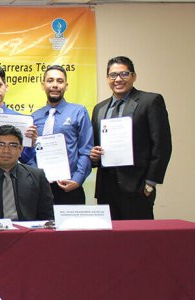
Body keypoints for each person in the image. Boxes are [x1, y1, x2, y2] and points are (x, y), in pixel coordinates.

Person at [90, 56, 172, 220]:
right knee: (110, 242)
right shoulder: (99, 108)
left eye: (124, 74)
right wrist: (94, 156)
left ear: (133, 76)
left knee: (138, 241)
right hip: (106, 188)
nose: (118, 79)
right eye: (113, 75)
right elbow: (96, 146)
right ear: (107, 78)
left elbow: (162, 145)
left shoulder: (150, 101)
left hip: (138, 187)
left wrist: (150, 183)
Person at [32, 65, 93, 205]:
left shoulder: (79, 112)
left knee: (72, 227)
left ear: (66, 85)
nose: (55, 85)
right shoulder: (34, 117)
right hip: (41, 189)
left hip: (70, 187)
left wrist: (77, 180)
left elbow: (86, 149)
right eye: (50, 80)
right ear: (43, 85)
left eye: (59, 81)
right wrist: (38, 177)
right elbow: (28, 154)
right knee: (42, 227)